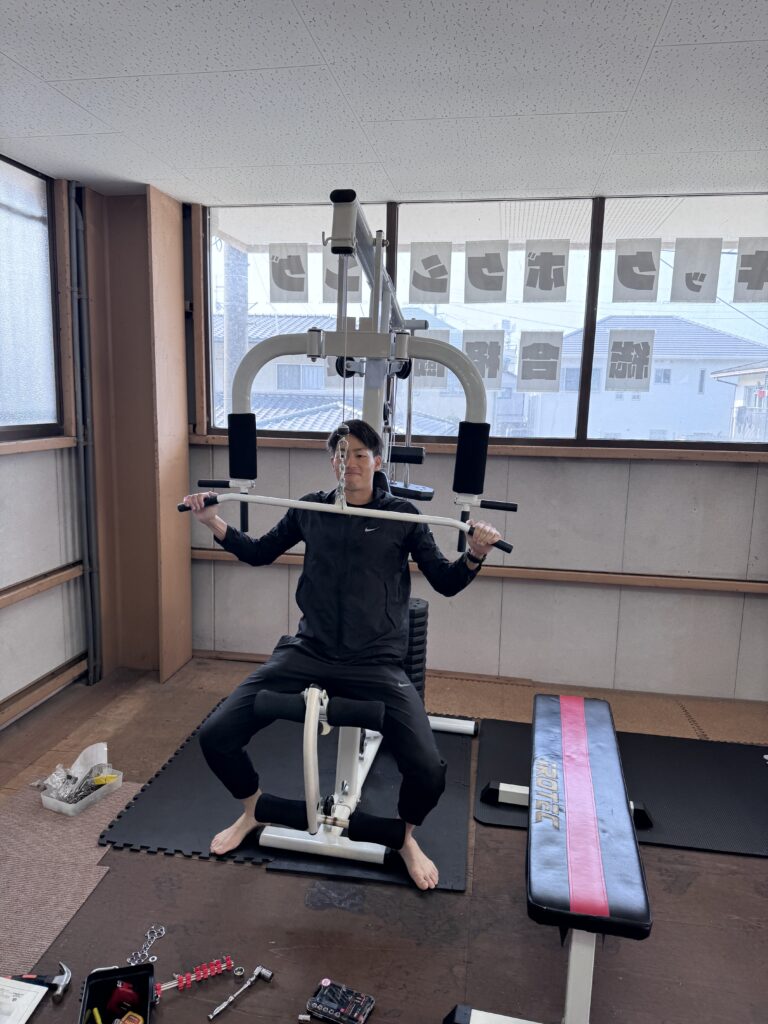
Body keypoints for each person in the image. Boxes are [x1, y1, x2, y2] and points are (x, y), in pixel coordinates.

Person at [184, 420, 501, 890]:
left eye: (358, 454)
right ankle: (253, 810)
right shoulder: (311, 509)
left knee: (428, 770)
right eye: (340, 454)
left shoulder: (403, 516)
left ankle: (403, 837)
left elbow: (446, 581)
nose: (347, 462)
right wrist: (212, 521)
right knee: (216, 735)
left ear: (377, 461)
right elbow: (259, 552)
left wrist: (474, 554)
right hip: (309, 651)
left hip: (376, 662)